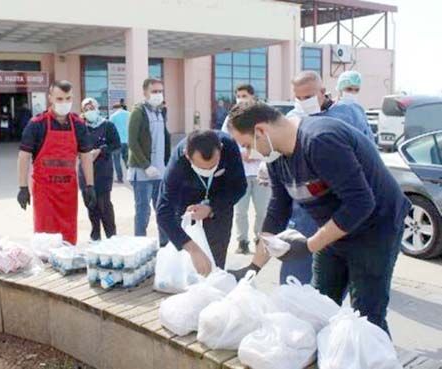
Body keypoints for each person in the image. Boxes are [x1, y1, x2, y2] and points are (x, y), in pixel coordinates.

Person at [227, 101, 410, 334]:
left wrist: (309, 245)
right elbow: (278, 207)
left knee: (366, 316)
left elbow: (361, 203)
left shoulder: (320, 141)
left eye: (246, 144)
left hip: (375, 228)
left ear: (261, 131)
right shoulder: (276, 157)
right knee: (319, 305)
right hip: (334, 227)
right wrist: (253, 268)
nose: (247, 153)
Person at [280, 70, 376, 284]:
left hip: (343, 199)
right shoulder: (292, 119)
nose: (304, 102)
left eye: (309, 96)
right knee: (296, 268)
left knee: (335, 272)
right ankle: (292, 306)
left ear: (323, 92)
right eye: (300, 97)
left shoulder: (348, 113)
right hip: (307, 203)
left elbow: (369, 152)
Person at [17, 80, 96, 244]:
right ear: (50, 98)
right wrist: (23, 187)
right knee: (45, 239)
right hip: (44, 191)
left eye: (68, 99)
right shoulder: (36, 124)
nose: (64, 103)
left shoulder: (79, 125)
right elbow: (23, 156)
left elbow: (86, 156)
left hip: (68, 191)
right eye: (59, 99)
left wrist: (90, 186)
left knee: (68, 238)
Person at [157, 130, 247, 272]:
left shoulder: (229, 147)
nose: (208, 170)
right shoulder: (178, 162)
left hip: (220, 203)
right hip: (187, 203)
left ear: (221, 149)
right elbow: (163, 212)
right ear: (187, 155)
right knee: (189, 262)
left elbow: (239, 187)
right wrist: (192, 249)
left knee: (216, 261)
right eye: (202, 168)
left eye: (213, 166)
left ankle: (214, 284)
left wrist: (212, 207)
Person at [221, 84, 271, 255]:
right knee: (240, 211)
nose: (241, 99)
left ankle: (260, 239)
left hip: (260, 174)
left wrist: (255, 154)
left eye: (244, 95)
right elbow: (225, 142)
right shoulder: (230, 119)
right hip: (240, 174)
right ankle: (242, 241)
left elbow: (270, 143)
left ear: (252, 97)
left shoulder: (260, 118)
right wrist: (239, 155)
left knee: (262, 210)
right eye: (238, 95)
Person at [128, 78, 171, 246]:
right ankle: (140, 246)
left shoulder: (161, 112)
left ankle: (165, 245)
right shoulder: (138, 112)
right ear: (145, 93)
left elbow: (164, 139)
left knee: (162, 210)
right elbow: (133, 142)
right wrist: (146, 165)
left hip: (159, 171)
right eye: (154, 91)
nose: (158, 95)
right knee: (143, 211)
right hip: (142, 172)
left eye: (160, 91)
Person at [79, 97, 121, 242]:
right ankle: (95, 235)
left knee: (104, 204)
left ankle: (111, 236)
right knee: (90, 203)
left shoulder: (107, 125)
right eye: (86, 109)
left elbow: (116, 144)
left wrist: (101, 151)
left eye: (92, 108)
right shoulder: (80, 126)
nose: (89, 111)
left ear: (97, 109)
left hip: (103, 171)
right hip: (85, 171)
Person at [109, 103, 130, 183]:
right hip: (128, 141)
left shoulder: (113, 116)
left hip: (117, 142)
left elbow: (110, 130)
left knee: (117, 161)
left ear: (114, 108)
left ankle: (120, 178)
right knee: (127, 160)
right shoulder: (129, 114)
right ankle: (131, 176)